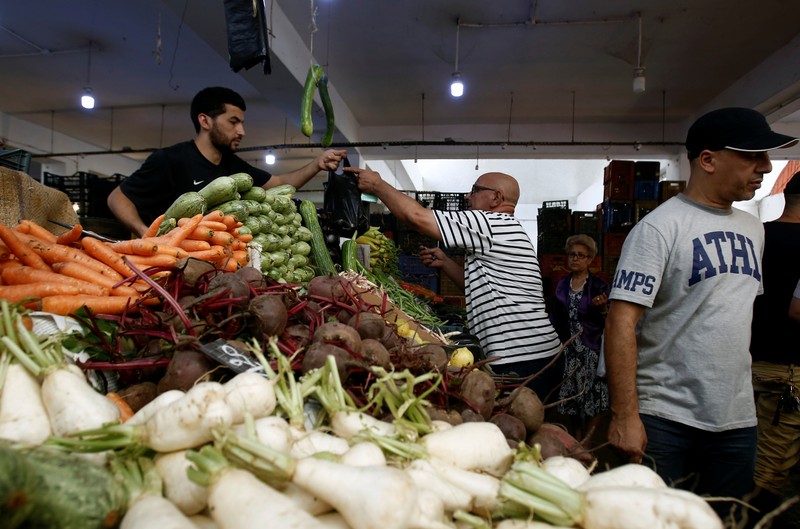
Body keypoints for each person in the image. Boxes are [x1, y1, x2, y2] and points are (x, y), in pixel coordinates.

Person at [603, 107, 798, 520]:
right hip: (665, 419)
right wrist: (625, 415)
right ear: (707, 160)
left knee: (726, 520)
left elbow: (730, 315)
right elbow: (621, 321)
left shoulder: (753, 228)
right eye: (752, 155)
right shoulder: (659, 229)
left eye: (765, 156)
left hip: (735, 418)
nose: (765, 166)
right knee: (659, 523)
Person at [349, 168, 563, 400]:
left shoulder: (490, 222)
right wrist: (446, 264)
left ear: (496, 198)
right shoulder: (509, 229)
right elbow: (481, 289)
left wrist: (378, 186)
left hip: (522, 359)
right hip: (534, 355)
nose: (467, 197)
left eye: (475, 190)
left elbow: (417, 217)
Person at [108, 86, 346, 237]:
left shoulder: (234, 166)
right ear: (205, 121)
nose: (241, 130)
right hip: (167, 260)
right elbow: (117, 197)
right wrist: (143, 231)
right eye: (233, 122)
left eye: (242, 122)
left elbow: (280, 182)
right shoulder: (170, 159)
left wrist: (317, 164)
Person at [748, 170, 800, 521]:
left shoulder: (758, 237)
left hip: (753, 362)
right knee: (771, 467)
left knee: (758, 452)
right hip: (789, 371)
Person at [548, 234, 610, 440]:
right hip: (569, 350)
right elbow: (555, 317)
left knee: (593, 396)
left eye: (581, 256)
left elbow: (609, 319)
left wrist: (602, 309)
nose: (575, 259)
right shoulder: (561, 286)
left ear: (590, 259)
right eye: (572, 254)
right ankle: (577, 435)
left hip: (590, 349)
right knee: (573, 397)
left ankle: (587, 440)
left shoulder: (599, 287)